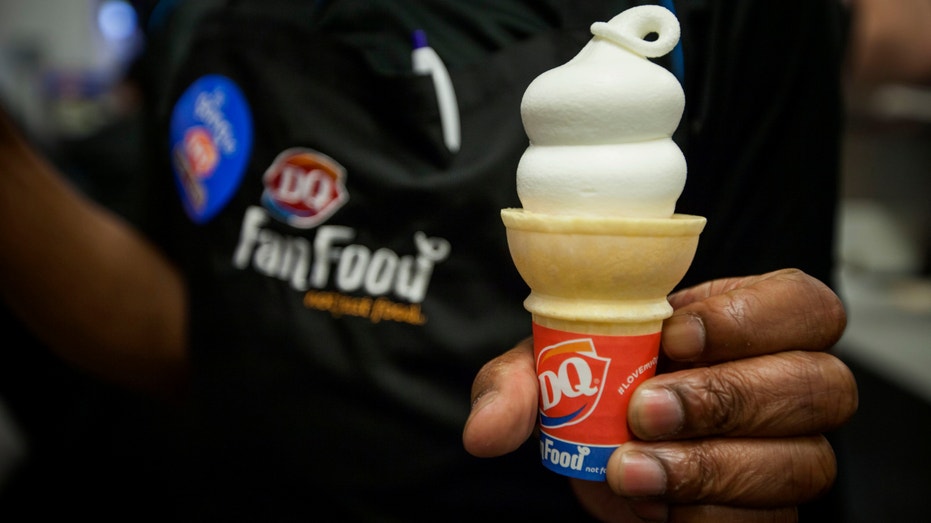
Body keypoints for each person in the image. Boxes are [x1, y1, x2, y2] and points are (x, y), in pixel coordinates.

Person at [0, 1, 857, 521]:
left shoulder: (744, 18)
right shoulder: (183, 12)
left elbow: (772, 380)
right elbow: (184, 322)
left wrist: (731, 429)